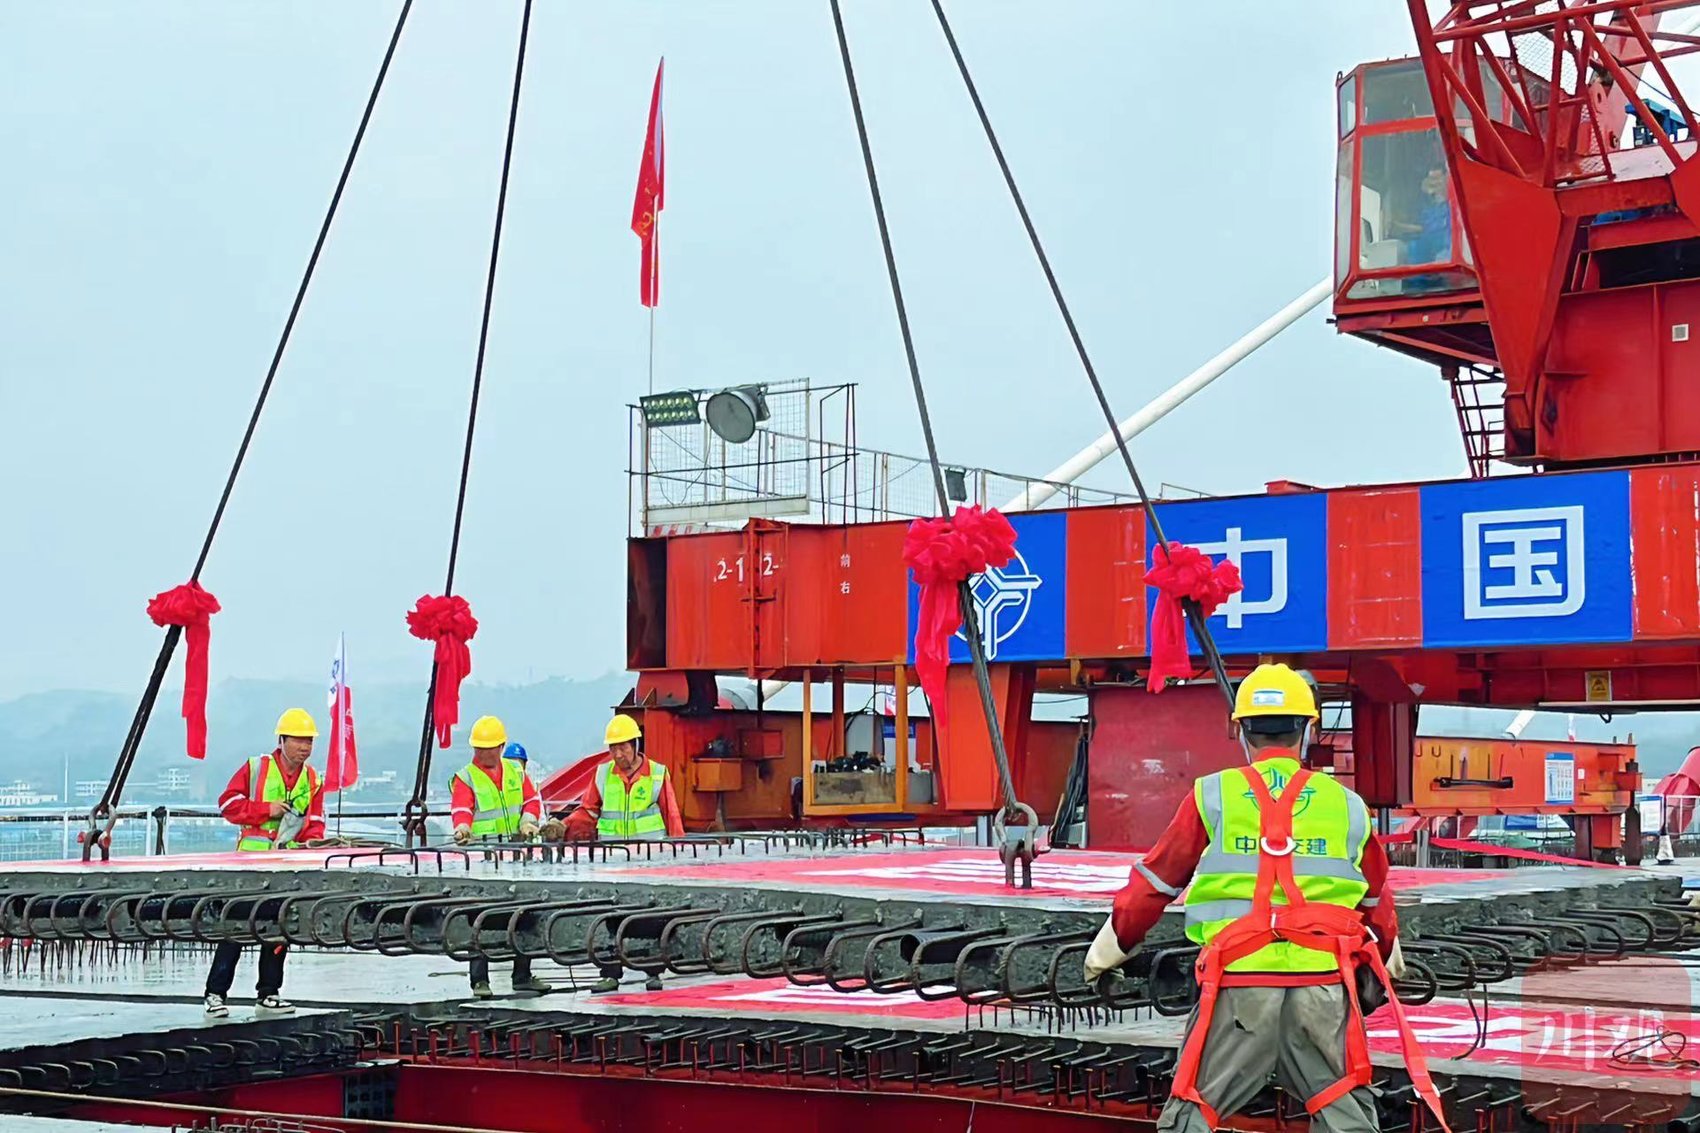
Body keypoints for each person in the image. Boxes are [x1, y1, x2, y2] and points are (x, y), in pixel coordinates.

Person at [1083, 664, 1439, 1133]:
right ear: (1309, 729)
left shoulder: (1213, 795)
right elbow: (1375, 900)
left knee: (1193, 1114)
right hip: (1323, 990)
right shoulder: (1347, 804)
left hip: (1237, 990)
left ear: (1240, 730)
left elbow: (1155, 883)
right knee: (1345, 1115)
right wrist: (1389, 957)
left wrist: (1109, 949)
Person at [204, 707, 326, 1017]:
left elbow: (315, 821)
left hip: (287, 864)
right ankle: (215, 994)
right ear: (282, 740)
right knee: (236, 926)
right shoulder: (256, 768)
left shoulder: (313, 779)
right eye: (298, 740)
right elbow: (228, 804)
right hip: (251, 862)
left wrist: (311, 844)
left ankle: (269, 992)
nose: (305, 747)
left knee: (279, 928)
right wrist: (265, 809)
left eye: (309, 741)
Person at [572, 713, 684, 992]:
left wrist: (680, 858)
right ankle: (610, 973)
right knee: (610, 917)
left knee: (649, 917)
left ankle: (653, 972)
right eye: (613, 748)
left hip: (650, 862)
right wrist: (562, 827)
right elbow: (588, 812)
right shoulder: (602, 775)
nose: (617, 754)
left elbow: (671, 816)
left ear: (635, 745)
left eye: (622, 747)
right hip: (612, 863)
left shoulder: (657, 774)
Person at [450, 714, 551, 999]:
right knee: (479, 918)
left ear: (500, 747)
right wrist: (462, 828)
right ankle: (480, 981)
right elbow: (461, 808)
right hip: (483, 861)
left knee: (525, 915)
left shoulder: (516, 772)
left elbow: (531, 800)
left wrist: (528, 822)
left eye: (489, 748)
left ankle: (522, 975)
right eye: (479, 749)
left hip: (517, 858)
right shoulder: (466, 777)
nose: (483, 754)